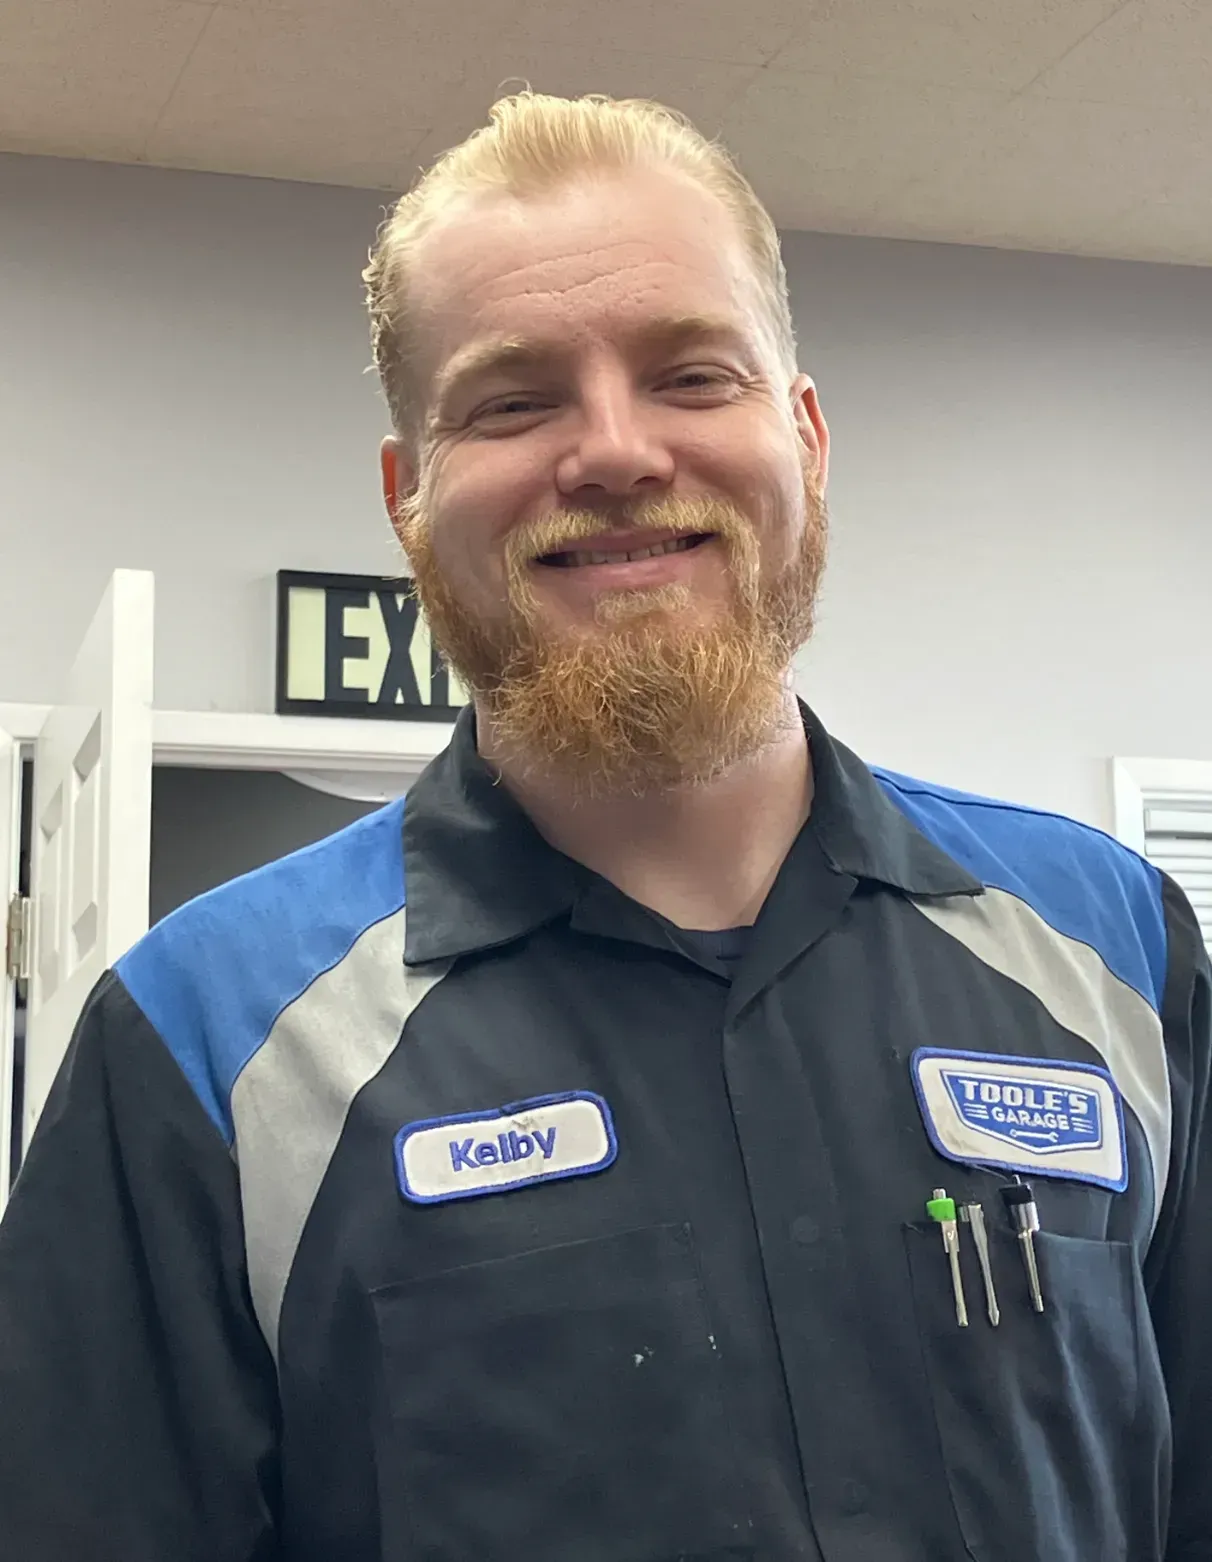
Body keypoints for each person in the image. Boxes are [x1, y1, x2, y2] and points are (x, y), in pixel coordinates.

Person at [0, 91, 1208, 1562]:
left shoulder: (1116, 950)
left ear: (805, 435)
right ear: (407, 497)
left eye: (692, 373)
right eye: (514, 400)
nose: (619, 452)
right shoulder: (203, 1041)